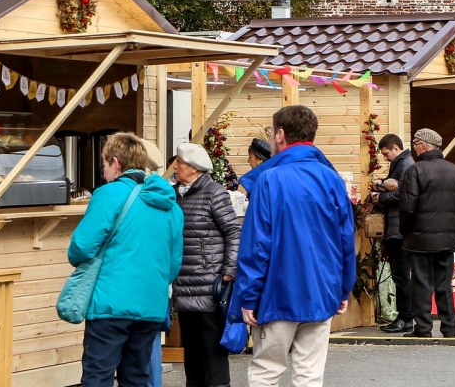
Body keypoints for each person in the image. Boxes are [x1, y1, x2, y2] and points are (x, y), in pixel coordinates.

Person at [235, 105, 355, 387]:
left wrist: (249, 296)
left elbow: (256, 244)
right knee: (310, 375)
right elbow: (345, 239)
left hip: (278, 292)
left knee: (266, 371)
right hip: (321, 289)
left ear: (280, 135)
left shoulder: (267, 179)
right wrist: (343, 288)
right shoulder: (332, 179)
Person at [68, 132, 181, 387]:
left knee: (98, 374)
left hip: (110, 303)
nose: (104, 172)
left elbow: (81, 248)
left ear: (116, 163)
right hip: (151, 304)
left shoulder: (108, 194)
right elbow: (173, 264)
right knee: (137, 376)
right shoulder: (171, 206)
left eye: (105, 166)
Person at [170, 142, 240, 387]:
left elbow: (233, 232)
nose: (176, 166)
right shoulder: (175, 194)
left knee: (212, 352)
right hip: (184, 284)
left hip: (209, 285)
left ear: (194, 168)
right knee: (192, 352)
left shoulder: (214, 193)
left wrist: (229, 271)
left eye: (179, 163)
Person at [398, 128, 455, 339]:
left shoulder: (415, 171)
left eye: (416, 143)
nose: (414, 148)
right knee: (444, 284)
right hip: (447, 239)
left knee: (422, 284)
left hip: (420, 239)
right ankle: (449, 327)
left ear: (424, 146)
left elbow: (407, 208)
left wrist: (406, 231)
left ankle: (423, 327)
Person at [372, 134, 415, 332]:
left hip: (398, 229)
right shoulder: (401, 162)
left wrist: (379, 196)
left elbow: (401, 194)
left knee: (401, 275)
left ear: (396, 148)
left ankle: (405, 318)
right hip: (397, 227)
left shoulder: (405, 164)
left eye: (386, 153)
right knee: (401, 275)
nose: (385, 157)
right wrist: (383, 183)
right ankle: (404, 316)